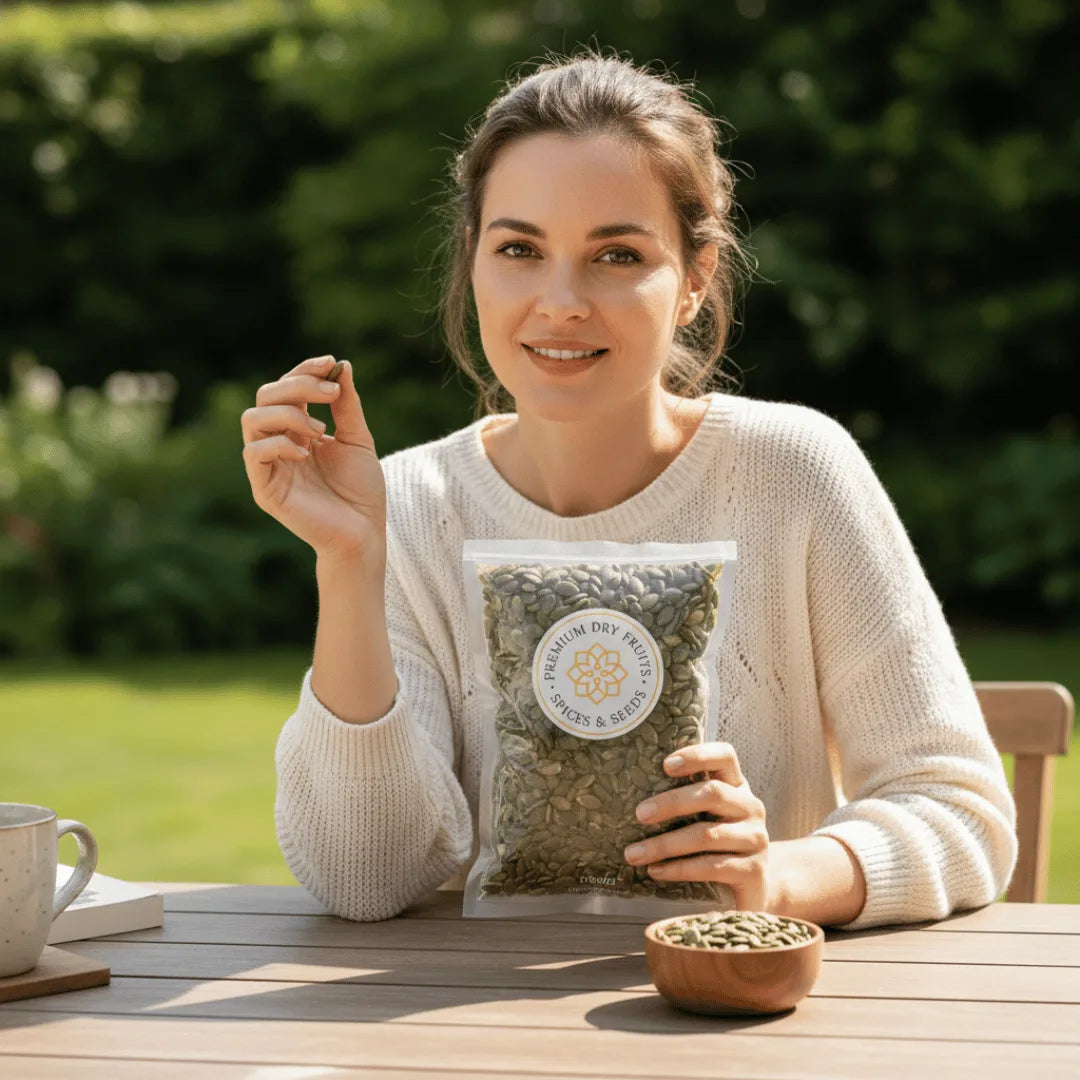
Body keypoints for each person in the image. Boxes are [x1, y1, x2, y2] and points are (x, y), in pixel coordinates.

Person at [241, 48, 1017, 927]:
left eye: (616, 254)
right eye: (519, 249)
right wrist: (350, 561)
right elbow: (364, 876)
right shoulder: (410, 506)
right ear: (472, 261)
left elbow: (959, 812)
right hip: (469, 1009)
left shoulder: (793, 472)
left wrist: (775, 879)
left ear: (695, 279)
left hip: (734, 1000)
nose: (561, 301)